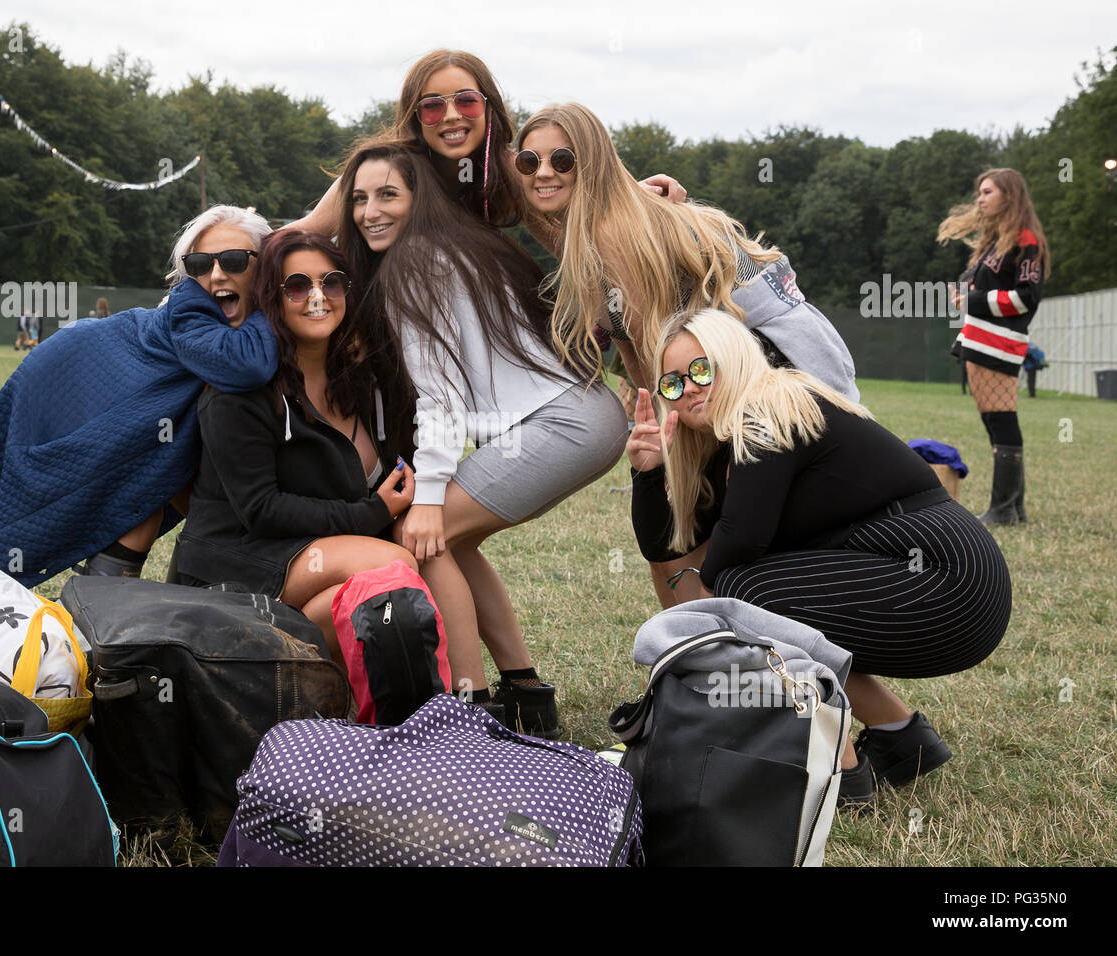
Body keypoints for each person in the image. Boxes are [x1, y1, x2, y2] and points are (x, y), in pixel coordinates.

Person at [629, 309, 1012, 809]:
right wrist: (648, 472)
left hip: (951, 581)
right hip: (925, 575)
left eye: (702, 370)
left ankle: (841, 770)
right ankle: (902, 736)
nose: (691, 389)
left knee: (748, 593)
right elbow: (667, 548)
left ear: (733, 357)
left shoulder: (770, 405)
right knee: (759, 594)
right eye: (674, 384)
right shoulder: (725, 443)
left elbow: (734, 549)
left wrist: (706, 629)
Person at [336, 142, 629, 735]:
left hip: (563, 421)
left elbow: (440, 394)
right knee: (455, 542)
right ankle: (525, 692)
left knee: (425, 535)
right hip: (585, 414)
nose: (371, 210)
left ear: (418, 201)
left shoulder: (415, 264)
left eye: (388, 194)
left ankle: (469, 709)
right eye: (360, 198)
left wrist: (429, 495)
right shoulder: (451, 249)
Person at [517, 102, 858, 607]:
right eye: (529, 162)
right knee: (685, 515)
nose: (543, 172)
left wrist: (669, 452)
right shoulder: (597, 225)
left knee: (731, 529)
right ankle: (703, 654)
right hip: (738, 359)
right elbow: (636, 350)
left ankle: (716, 654)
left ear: (592, 162)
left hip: (779, 363)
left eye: (562, 160)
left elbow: (659, 349)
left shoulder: (617, 230)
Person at [0, 205, 278, 586]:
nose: (216, 273)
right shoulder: (190, 309)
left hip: (86, 365)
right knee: (128, 495)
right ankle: (96, 614)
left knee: (144, 493)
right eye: (199, 263)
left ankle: (121, 607)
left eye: (235, 260)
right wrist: (275, 297)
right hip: (63, 375)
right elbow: (245, 365)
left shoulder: (227, 318)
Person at [176, 230, 418, 659]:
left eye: (331, 282)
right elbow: (261, 509)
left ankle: (461, 699)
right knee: (390, 568)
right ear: (271, 295)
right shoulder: (240, 391)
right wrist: (373, 514)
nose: (318, 296)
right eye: (298, 285)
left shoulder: (360, 381)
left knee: (394, 574)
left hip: (312, 556)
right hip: (235, 561)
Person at [290, 49, 684, 240]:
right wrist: (238, 245)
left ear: (488, 108)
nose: (450, 116)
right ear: (414, 116)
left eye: (466, 101)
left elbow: (575, 245)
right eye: (431, 107)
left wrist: (643, 198)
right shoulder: (381, 171)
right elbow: (305, 232)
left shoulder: (512, 170)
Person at [939, 168, 1049, 525]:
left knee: (1001, 421)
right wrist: (965, 297)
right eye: (979, 192)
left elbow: (1026, 296)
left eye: (988, 192)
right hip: (981, 337)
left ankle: (1004, 509)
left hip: (998, 342)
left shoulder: (1025, 239)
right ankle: (1012, 507)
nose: (980, 198)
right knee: (994, 421)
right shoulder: (996, 241)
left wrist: (974, 300)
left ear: (1009, 196)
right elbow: (982, 289)